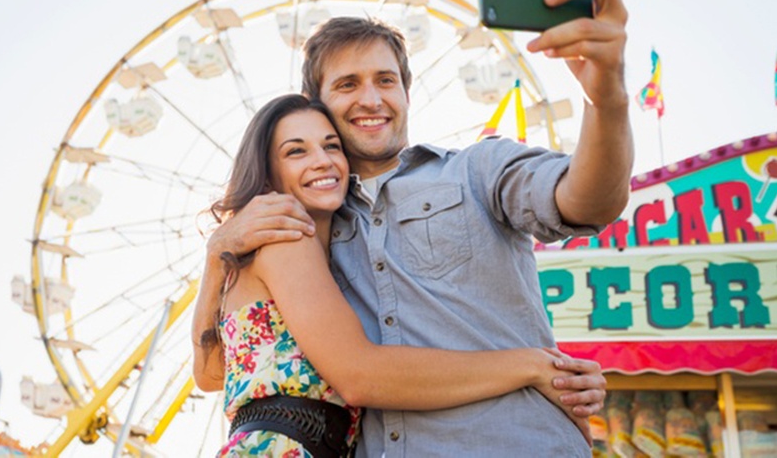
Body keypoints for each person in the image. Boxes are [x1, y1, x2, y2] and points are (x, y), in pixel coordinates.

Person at [197, 0, 631, 457]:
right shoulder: (302, 232)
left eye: (385, 80)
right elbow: (221, 371)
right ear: (315, 104)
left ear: (406, 91)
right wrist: (218, 253)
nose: (371, 98)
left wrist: (607, 97)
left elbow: (588, 199)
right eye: (346, 84)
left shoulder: (477, 170)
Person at [194, 93, 603, 457]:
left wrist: (216, 263)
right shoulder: (287, 240)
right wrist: (531, 366)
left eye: (331, 145)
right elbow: (359, 375)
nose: (322, 160)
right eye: (296, 152)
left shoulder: (306, 258)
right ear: (268, 172)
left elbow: (211, 373)